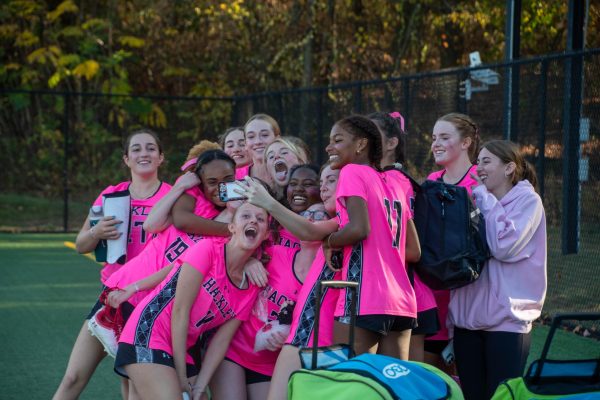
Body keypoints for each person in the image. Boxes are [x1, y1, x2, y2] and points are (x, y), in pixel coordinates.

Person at [53, 129, 171, 400]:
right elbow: (82, 244)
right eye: (137, 149)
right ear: (126, 159)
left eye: (151, 148)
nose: (144, 153)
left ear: (161, 157)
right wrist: (97, 232)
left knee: (134, 390)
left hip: (149, 302)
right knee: (72, 377)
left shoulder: (172, 197)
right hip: (112, 295)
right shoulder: (112, 195)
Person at [114, 202, 271, 400]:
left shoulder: (251, 287)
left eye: (260, 219)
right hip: (148, 333)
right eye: (245, 216)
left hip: (178, 348)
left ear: (266, 234)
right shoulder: (208, 250)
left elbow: (220, 341)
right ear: (232, 227)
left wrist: (200, 386)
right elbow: (181, 311)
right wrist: (181, 375)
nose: (253, 221)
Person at [448, 140, 547, 400]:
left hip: (507, 324)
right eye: (478, 161)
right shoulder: (472, 200)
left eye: (486, 161)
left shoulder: (529, 202)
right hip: (467, 323)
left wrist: (485, 200)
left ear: (509, 168)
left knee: (501, 396)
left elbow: (504, 246)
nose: (478, 167)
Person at [322, 114, 420, 359]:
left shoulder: (352, 172)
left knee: (349, 384)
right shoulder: (397, 181)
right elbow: (414, 250)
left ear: (361, 144)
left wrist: (330, 241)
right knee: (390, 389)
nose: (329, 147)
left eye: (338, 139)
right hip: (402, 302)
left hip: (363, 297)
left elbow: (359, 229)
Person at [211, 202, 330, 400]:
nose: (310, 218)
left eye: (319, 215)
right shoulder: (276, 253)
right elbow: (232, 250)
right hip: (233, 351)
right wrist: (249, 261)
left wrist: (288, 339)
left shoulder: (327, 278)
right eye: (306, 213)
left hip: (269, 365)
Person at [369, 111, 436, 362]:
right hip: (392, 289)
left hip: (406, 289)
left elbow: (404, 245)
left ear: (392, 143)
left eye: (372, 135)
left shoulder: (395, 181)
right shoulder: (379, 177)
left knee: (403, 380)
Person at [425, 112, 481, 371]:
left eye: (444, 137)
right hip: (432, 290)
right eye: (434, 137)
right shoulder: (431, 182)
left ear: (466, 142)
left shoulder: (480, 181)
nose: (436, 143)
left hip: (469, 292)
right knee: (429, 377)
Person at [244, 113, 281, 185]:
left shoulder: (290, 173)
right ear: (245, 144)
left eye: (264, 135)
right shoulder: (234, 176)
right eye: (251, 137)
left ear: (277, 139)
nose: (258, 142)